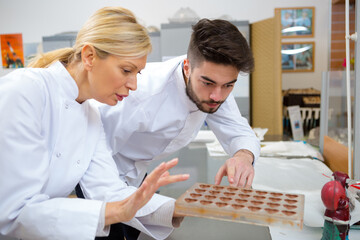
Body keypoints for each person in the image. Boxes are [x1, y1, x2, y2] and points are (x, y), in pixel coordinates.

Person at [0, 7, 189, 240]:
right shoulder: (25, 90)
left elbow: (107, 190)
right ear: (89, 57)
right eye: (126, 70)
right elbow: (14, 214)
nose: (134, 85)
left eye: (137, 73)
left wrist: (180, 207)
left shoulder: (91, 114)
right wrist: (118, 211)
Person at [98, 18, 261, 239]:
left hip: (141, 172)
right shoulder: (139, 94)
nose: (217, 96)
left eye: (228, 85)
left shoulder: (216, 87)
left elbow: (237, 128)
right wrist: (164, 208)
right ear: (187, 67)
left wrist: (243, 155)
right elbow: (95, 159)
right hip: (104, 173)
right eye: (208, 83)